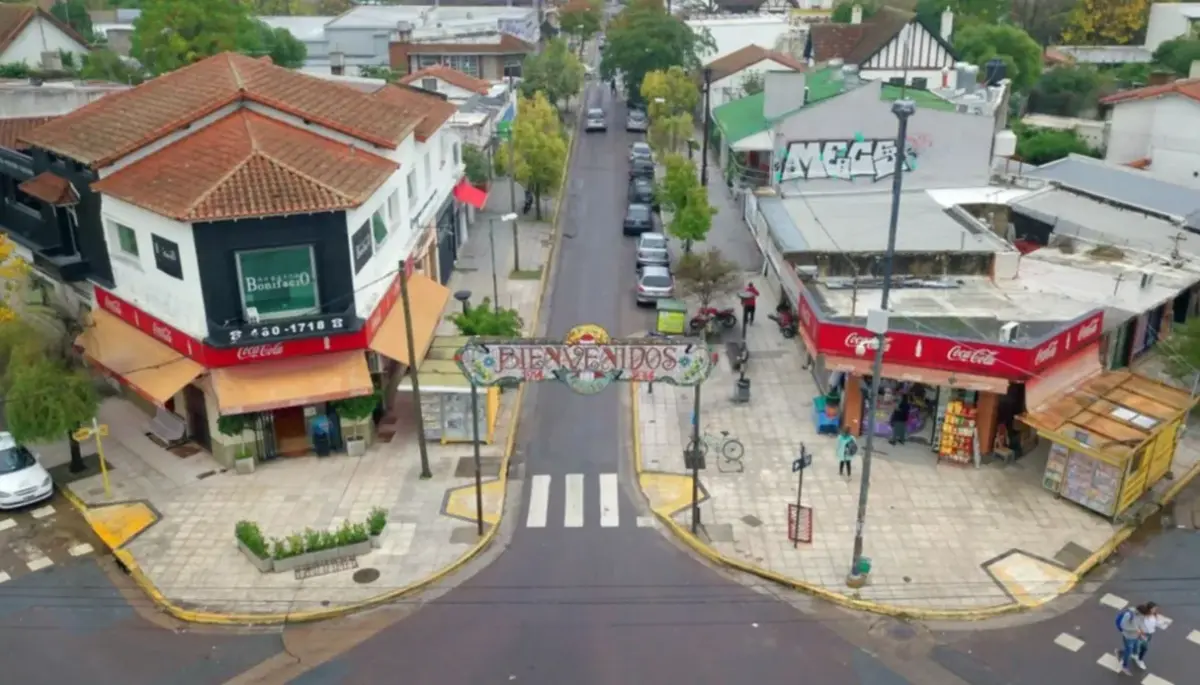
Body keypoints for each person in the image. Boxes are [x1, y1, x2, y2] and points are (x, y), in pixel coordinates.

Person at [1116, 603, 1154, 674]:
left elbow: (1141, 623)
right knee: (1129, 651)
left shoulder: (1142, 615)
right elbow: (1123, 626)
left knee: (1136, 648)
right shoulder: (1129, 615)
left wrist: (1141, 630)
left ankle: (1121, 653)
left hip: (1136, 635)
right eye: (1143, 615)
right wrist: (1136, 630)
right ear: (1139, 612)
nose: (1144, 616)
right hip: (1128, 636)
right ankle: (1124, 665)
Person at [1136, 602, 1163, 670]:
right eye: (1154, 609)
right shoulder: (1143, 616)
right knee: (1144, 648)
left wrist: (1161, 623)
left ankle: (1135, 655)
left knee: (1140, 646)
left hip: (1149, 634)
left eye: (1155, 609)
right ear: (1149, 609)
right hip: (1143, 634)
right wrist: (1139, 631)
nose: (1155, 610)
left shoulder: (1155, 615)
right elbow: (1137, 624)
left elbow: (1156, 623)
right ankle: (1139, 660)